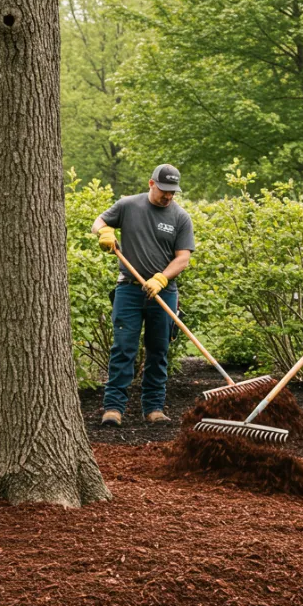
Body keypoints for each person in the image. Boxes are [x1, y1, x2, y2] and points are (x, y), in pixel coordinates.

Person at [91, 164, 195, 426]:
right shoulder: (128, 205)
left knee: (159, 351)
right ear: (151, 184)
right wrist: (105, 232)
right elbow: (99, 221)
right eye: (164, 190)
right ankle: (113, 408)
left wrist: (161, 278)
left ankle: (154, 408)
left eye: (173, 192)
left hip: (164, 293)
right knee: (123, 348)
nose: (168, 196)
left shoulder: (180, 218)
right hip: (129, 289)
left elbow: (183, 258)